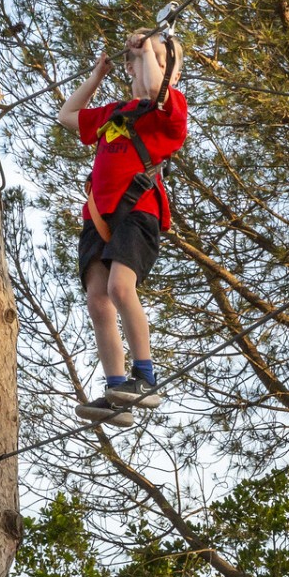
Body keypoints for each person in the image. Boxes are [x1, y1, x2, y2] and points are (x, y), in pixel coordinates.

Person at [57, 29, 188, 425]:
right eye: (144, 57)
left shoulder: (169, 108)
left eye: (161, 60)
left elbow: (154, 86)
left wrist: (148, 48)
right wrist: (96, 77)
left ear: (171, 74)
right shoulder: (114, 112)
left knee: (119, 288)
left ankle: (145, 378)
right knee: (98, 300)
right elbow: (67, 116)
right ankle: (118, 391)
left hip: (138, 211)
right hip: (99, 215)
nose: (149, 62)